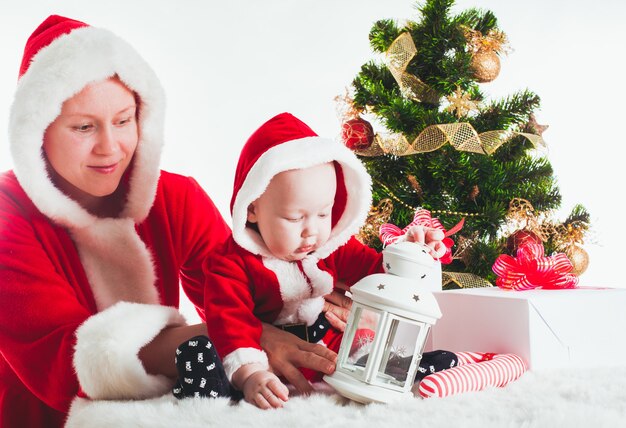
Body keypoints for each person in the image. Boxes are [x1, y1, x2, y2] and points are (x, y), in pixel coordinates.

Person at [0, 16, 335, 427]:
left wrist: (312, 290)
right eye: (84, 127)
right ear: (37, 130)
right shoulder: (7, 215)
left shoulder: (173, 197)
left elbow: (244, 285)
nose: (111, 148)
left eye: (124, 120)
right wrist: (231, 336)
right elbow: (61, 355)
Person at [193, 113, 447, 409]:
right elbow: (230, 320)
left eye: (323, 213)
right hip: (269, 354)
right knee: (218, 358)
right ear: (251, 209)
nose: (311, 230)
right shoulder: (230, 262)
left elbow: (378, 273)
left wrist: (410, 250)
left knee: (363, 354)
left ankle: (403, 367)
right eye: (294, 217)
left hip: (327, 346)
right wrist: (250, 374)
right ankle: (216, 381)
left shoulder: (331, 247)